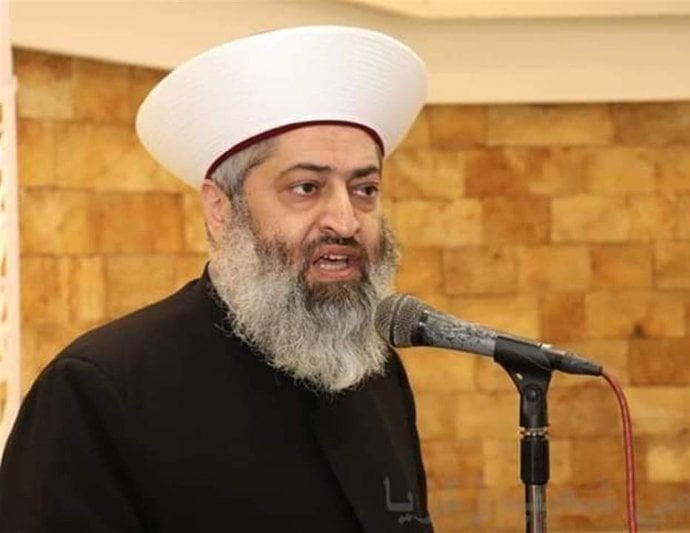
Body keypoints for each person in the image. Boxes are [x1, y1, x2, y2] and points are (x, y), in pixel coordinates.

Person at [0, 26, 433, 532]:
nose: (345, 220)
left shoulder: (374, 372)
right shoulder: (97, 389)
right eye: (306, 187)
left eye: (365, 189)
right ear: (220, 208)